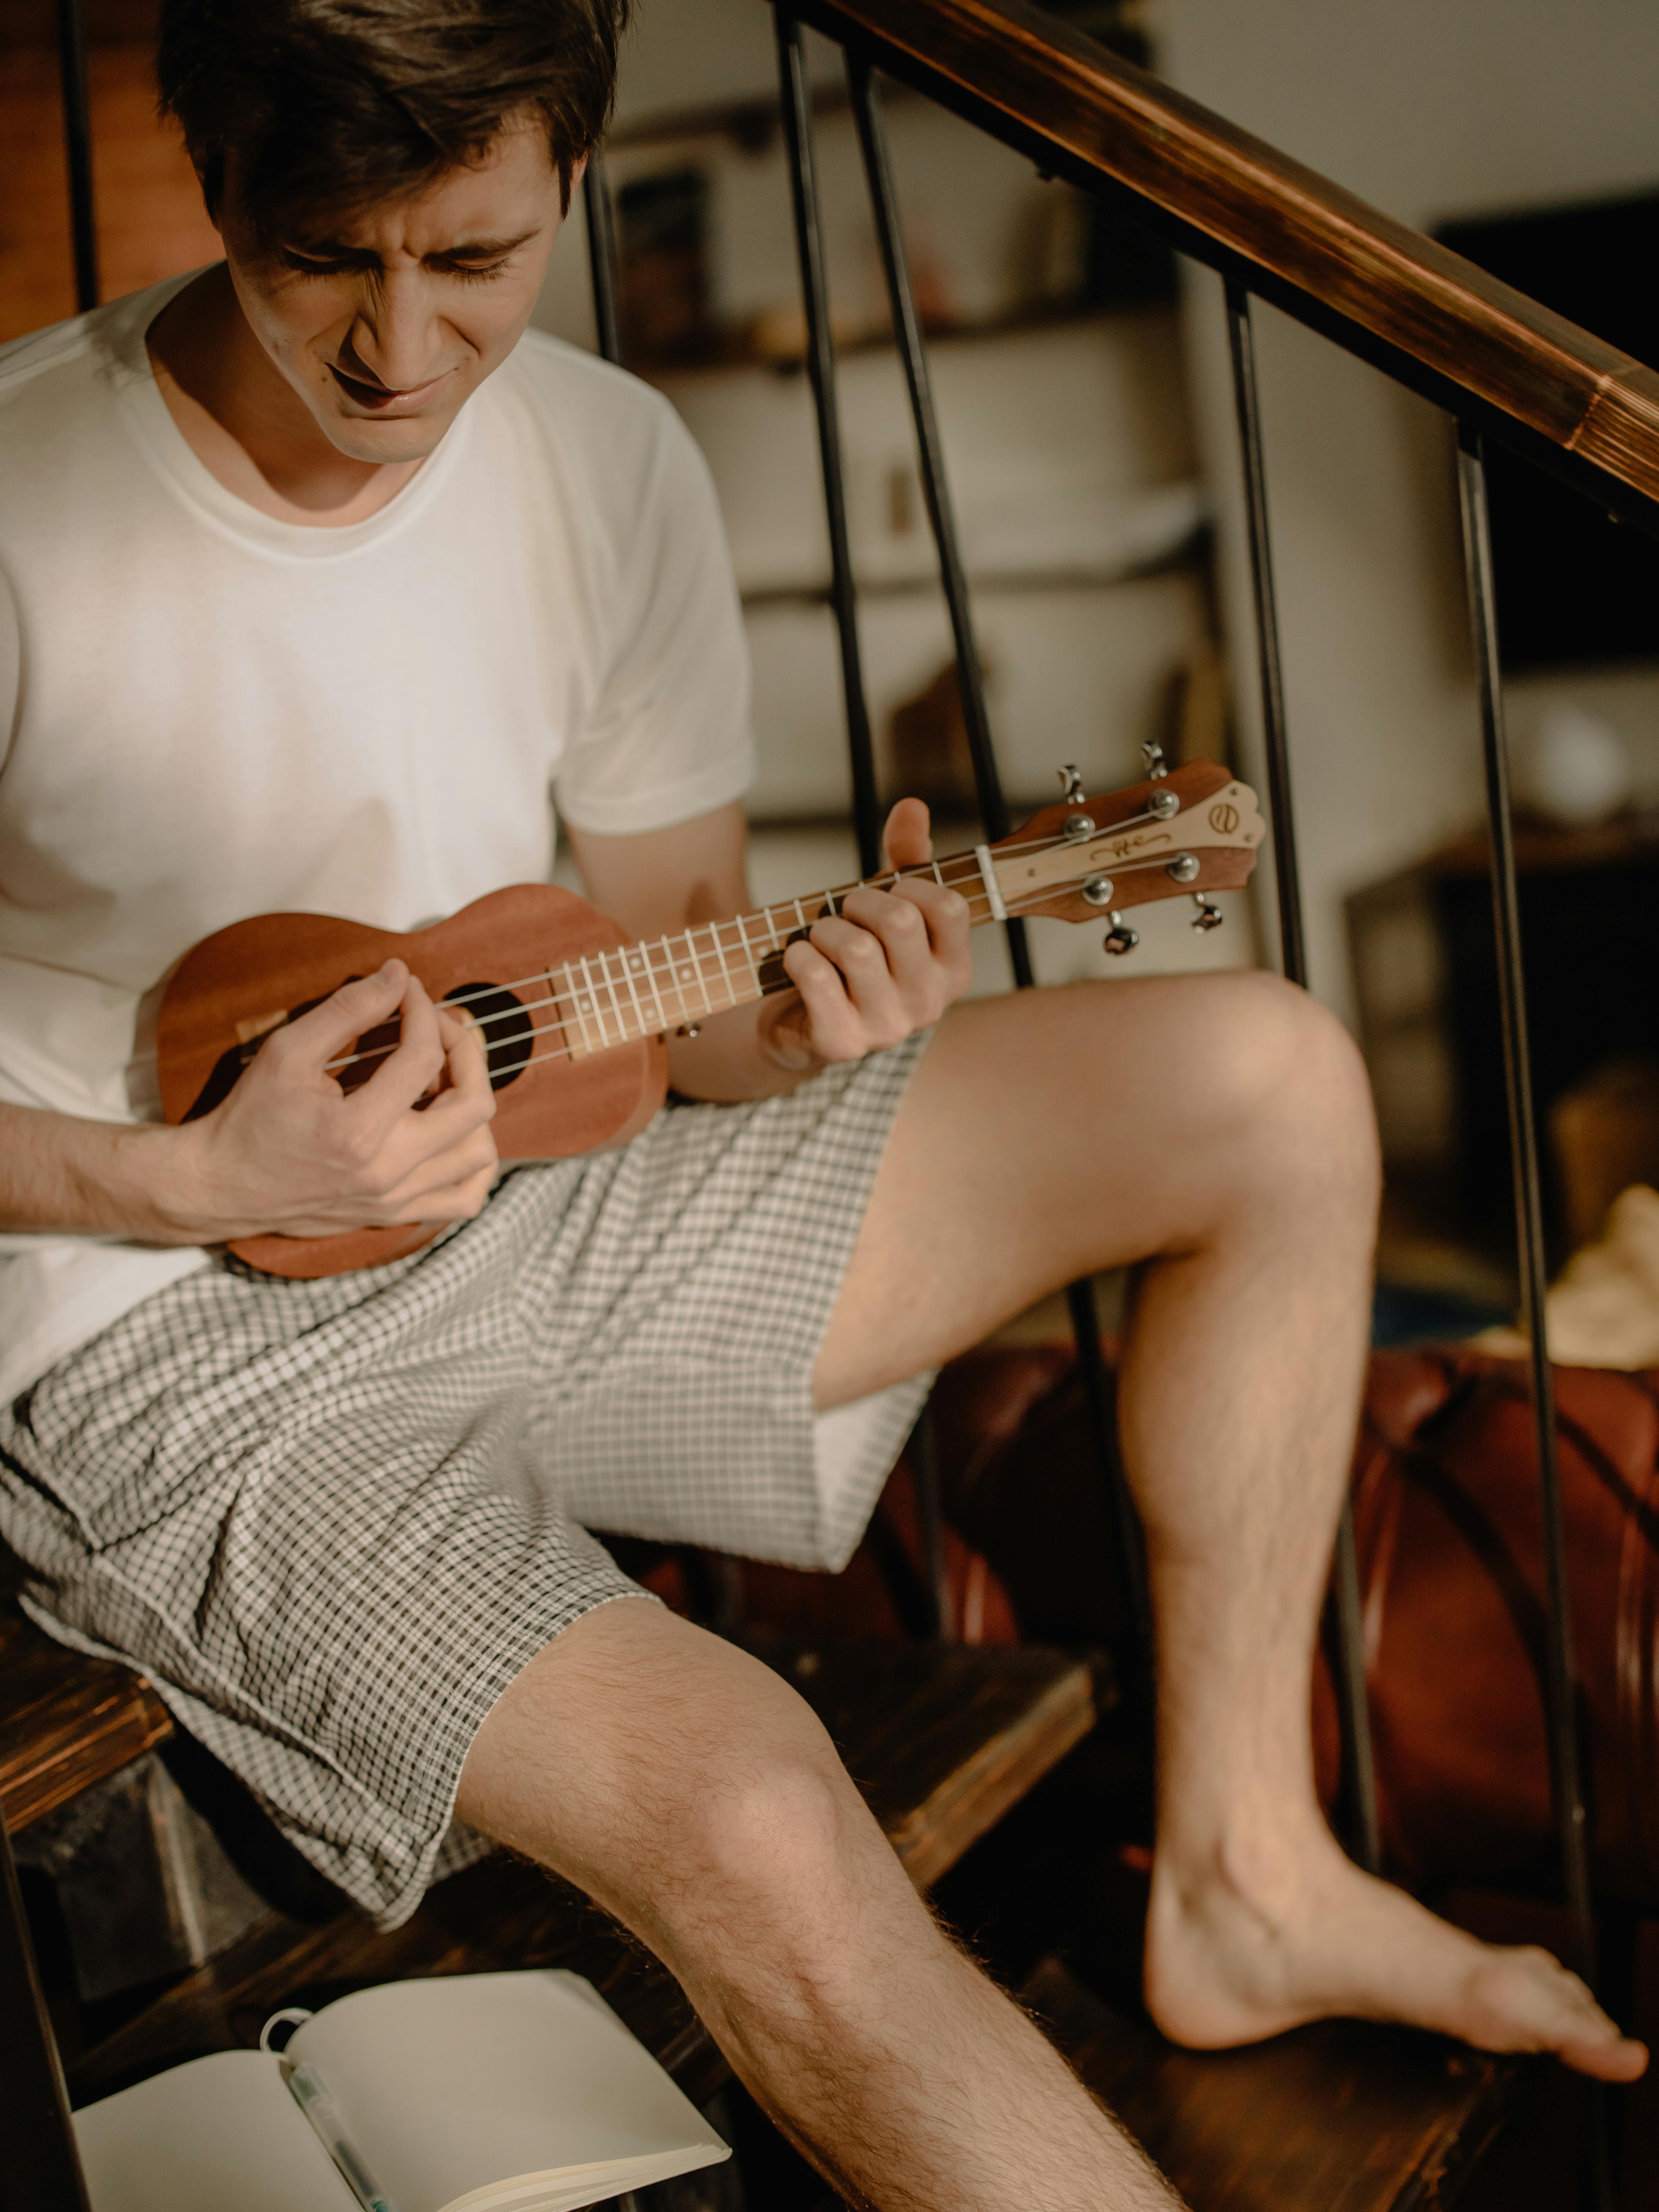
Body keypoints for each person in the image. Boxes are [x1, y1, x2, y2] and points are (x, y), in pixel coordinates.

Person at [0, 1, 1642, 2203]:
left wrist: (807, 1014)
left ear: (572, 179)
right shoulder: (23, 489)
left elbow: (672, 981)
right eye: (325, 254)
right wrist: (187, 1166)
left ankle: (1246, 1863)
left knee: (1269, 1075)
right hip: (158, 1337)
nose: (399, 346)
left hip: (535, 1191)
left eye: (473, 260)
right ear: (215, 189)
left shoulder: (605, 464)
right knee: (765, 1800)